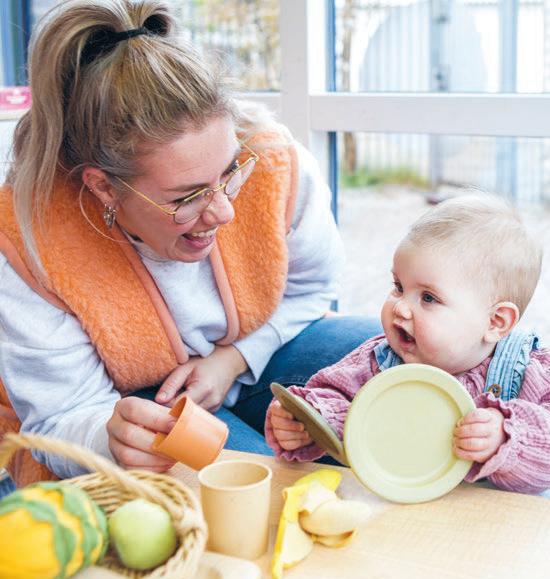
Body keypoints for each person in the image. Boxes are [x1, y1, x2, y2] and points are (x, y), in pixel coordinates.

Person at [0, 0, 380, 484]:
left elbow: (314, 286)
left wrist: (234, 360)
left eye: (229, 173)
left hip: (257, 357)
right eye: (187, 196)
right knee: (252, 491)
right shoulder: (31, 240)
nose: (225, 212)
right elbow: (61, 416)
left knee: (405, 366)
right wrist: (106, 437)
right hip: (131, 405)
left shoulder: (272, 161)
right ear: (103, 187)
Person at [266, 192, 550, 499]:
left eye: (428, 298)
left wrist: (507, 436)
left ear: (495, 322)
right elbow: (340, 402)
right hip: (423, 511)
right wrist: (309, 421)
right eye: (399, 286)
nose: (401, 307)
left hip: (513, 518)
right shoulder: (380, 360)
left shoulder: (535, 373)